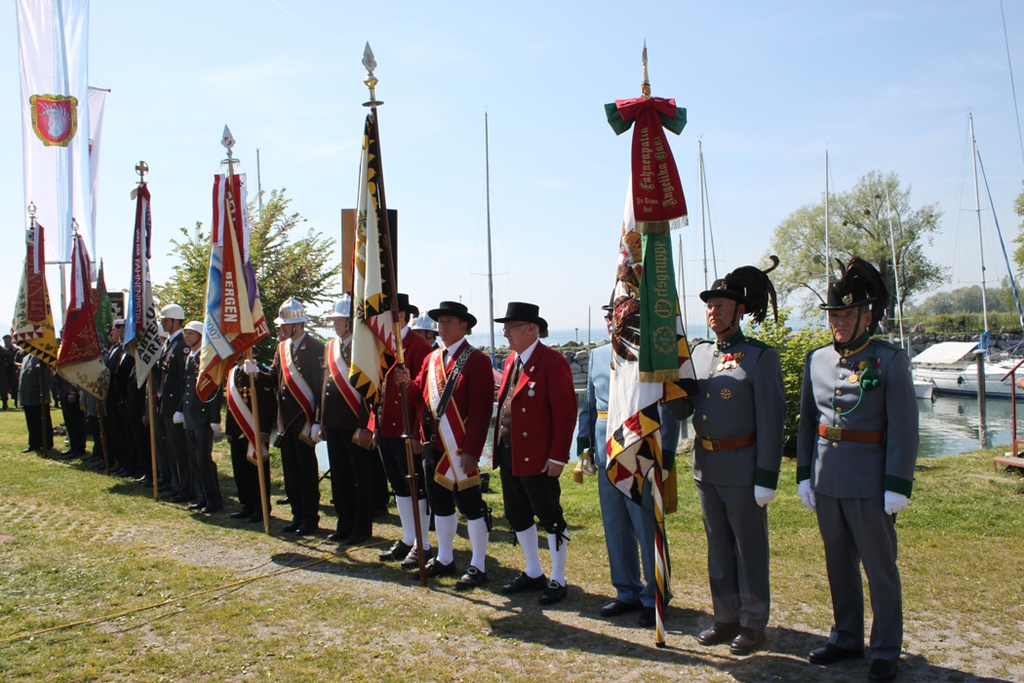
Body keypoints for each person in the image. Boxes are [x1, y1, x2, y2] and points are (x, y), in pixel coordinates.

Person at [797, 257, 918, 683]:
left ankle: (885, 648)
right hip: (828, 480)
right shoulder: (818, 360)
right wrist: (804, 475)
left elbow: (905, 428)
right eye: (835, 315)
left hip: (871, 482)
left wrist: (896, 484)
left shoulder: (890, 361)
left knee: (880, 568)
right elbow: (808, 422)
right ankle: (846, 636)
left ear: (868, 315)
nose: (840, 323)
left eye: (848, 314)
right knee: (838, 565)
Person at [690, 261, 785, 656]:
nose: (715, 311)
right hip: (706, 467)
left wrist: (766, 476)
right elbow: (685, 410)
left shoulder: (759, 357)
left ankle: (752, 621)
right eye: (711, 305)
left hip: (743, 468)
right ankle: (725, 617)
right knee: (718, 547)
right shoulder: (699, 354)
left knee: (749, 549)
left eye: (724, 305)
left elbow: (773, 420)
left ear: (740, 311)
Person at [395, 301, 495, 588]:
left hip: (461, 448)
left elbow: (480, 410)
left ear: (464, 326)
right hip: (434, 445)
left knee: (471, 506)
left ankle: (478, 565)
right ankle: (446, 558)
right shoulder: (432, 358)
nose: (443, 327)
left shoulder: (476, 360)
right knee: (440, 506)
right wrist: (405, 381)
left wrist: (474, 451)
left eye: (450, 321)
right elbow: (419, 394)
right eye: (441, 322)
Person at [578, 302, 660, 627]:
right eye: (611, 316)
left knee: (645, 529)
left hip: (639, 452)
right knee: (615, 528)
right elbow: (587, 408)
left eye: (622, 316)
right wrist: (583, 449)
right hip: (604, 453)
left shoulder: (649, 355)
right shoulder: (598, 355)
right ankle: (626, 590)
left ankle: (655, 595)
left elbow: (661, 406)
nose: (615, 321)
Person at [493, 302, 576, 606]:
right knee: (517, 514)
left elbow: (565, 413)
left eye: (510, 327)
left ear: (531, 329)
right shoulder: (511, 362)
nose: (505, 333)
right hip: (509, 451)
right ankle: (533, 571)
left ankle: (558, 577)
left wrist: (558, 456)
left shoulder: (552, 362)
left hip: (538, 455)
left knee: (549, 514)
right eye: (505, 328)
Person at [375, 293, 434, 566]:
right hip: (386, 426)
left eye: (389, 313)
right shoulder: (380, 344)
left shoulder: (419, 345)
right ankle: (409, 537)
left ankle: (423, 543)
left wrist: (420, 433)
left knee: (415, 486)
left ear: (401, 316)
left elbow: (425, 392)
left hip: (408, 428)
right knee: (399, 486)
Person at [261, 297, 324, 536]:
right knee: (291, 472)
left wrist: (317, 420)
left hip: (305, 420)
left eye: (283, 326)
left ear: (297, 325)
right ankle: (297, 515)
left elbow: (319, 388)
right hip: (286, 422)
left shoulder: (316, 348)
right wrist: (257, 374)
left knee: (306, 472)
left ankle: (310, 518)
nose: (280, 329)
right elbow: (275, 377)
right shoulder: (281, 348)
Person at [319, 295, 375, 544]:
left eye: (338, 319)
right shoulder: (330, 347)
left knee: (360, 479)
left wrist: (365, 425)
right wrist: (321, 420)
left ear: (350, 321)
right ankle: (344, 524)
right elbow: (325, 385)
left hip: (355, 424)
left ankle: (361, 528)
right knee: (340, 477)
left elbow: (369, 391)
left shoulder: (363, 346)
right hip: (333, 423)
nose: (334, 324)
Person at [180, 321, 224, 514]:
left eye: (190, 333)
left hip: (203, 417)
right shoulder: (190, 357)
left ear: (200, 336)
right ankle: (203, 496)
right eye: (186, 333)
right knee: (193, 459)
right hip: (190, 416)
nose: (186, 337)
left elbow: (214, 388)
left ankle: (214, 498)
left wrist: (215, 418)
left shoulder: (207, 359)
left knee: (203, 460)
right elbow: (187, 388)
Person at [225, 354, 274, 523]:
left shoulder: (257, 371)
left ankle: (261, 509)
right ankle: (247, 505)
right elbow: (231, 404)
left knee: (257, 472)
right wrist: (229, 429)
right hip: (237, 430)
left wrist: (265, 430)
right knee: (241, 471)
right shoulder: (233, 372)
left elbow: (267, 405)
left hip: (254, 431)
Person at [154, 304, 194, 503]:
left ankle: (185, 488)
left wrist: (180, 408)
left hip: (175, 406)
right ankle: (176, 485)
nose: (162, 323)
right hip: (166, 405)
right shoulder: (170, 344)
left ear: (175, 320)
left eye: (165, 320)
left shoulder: (181, 345)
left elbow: (183, 381)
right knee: (170, 449)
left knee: (179, 451)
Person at [19, 353, 53, 453]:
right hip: (27, 395)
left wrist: (45, 394)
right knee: (31, 421)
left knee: (42, 421)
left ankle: (46, 443)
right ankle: (34, 444)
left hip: (38, 395)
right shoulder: (26, 358)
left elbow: (47, 377)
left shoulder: (42, 357)